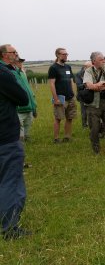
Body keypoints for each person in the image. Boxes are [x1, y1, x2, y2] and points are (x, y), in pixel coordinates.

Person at [0, 44, 30, 240]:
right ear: (4, 55)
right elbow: (22, 97)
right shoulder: (4, 74)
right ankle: (10, 228)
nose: (16, 55)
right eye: (13, 53)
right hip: (5, 136)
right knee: (11, 181)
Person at [83, 51, 105, 154]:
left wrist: (102, 83)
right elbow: (90, 86)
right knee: (94, 129)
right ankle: (96, 150)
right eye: (101, 59)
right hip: (93, 104)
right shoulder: (88, 71)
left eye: (104, 59)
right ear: (94, 61)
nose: (104, 61)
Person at [48, 48, 77, 143]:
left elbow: (71, 81)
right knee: (58, 118)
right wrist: (56, 98)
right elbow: (52, 83)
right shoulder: (53, 68)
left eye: (66, 54)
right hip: (60, 97)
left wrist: (74, 94)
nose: (66, 56)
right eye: (63, 54)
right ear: (57, 55)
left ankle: (67, 137)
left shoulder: (68, 67)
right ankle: (56, 139)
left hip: (70, 97)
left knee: (70, 117)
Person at [14, 57, 37, 142]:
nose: (20, 63)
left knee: (28, 123)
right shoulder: (12, 73)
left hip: (29, 106)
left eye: (21, 62)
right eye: (18, 62)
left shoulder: (23, 73)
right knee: (20, 127)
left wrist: (34, 106)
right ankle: (21, 141)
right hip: (19, 108)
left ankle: (27, 137)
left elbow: (28, 89)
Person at [75, 61, 93, 128]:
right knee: (84, 111)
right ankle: (84, 126)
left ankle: (93, 125)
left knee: (92, 111)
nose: (92, 68)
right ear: (85, 67)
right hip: (83, 95)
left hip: (91, 95)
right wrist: (87, 84)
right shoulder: (79, 74)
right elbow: (79, 86)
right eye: (90, 67)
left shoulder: (92, 72)